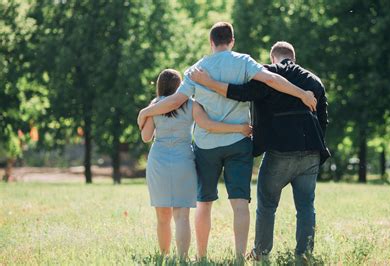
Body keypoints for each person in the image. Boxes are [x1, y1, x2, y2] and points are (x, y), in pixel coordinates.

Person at [137, 22, 317, 259]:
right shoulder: (244, 62)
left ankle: (201, 257)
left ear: (211, 42)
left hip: (206, 146)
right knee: (240, 203)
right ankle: (240, 258)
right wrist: (302, 93)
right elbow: (272, 79)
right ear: (232, 40)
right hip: (239, 140)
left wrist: (145, 112)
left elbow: (173, 101)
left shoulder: (196, 70)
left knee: (204, 202)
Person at [189, 41, 330, 258]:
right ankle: (304, 255)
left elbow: (239, 92)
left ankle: (261, 253)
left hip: (279, 150)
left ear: (273, 57)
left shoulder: (267, 75)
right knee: (305, 207)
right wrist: (317, 152)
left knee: (267, 205)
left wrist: (208, 82)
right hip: (310, 150)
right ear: (294, 58)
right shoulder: (315, 81)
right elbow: (323, 121)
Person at [140, 69, 251, 259]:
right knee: (182, 216)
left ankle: (165, 256)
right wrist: (238, 128)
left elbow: (146, 137)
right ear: (179, 86)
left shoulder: (154, 106)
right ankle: (183, 259)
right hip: (184, 159)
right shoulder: (191, 104)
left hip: (159, 161)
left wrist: (143, 117)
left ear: (159, 86)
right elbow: (208, 124)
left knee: (162, 217)